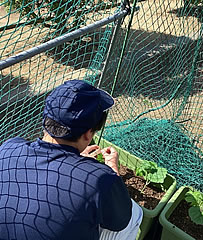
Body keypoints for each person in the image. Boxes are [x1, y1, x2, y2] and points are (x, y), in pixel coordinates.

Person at [0, 80, 143, 240]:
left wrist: (76, 163)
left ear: (45, 119)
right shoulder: (101, 179)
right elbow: (120, 221)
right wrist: (111, 171)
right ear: (88, 134)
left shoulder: (9, 148)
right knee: (135, 213)